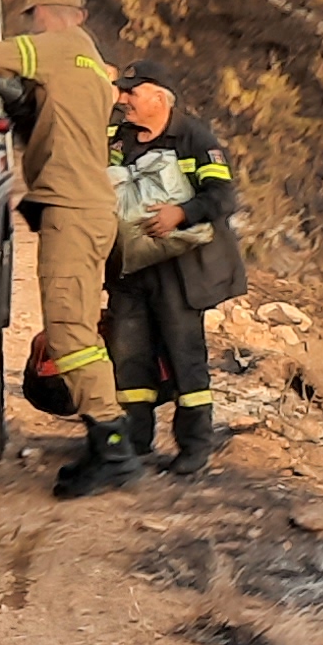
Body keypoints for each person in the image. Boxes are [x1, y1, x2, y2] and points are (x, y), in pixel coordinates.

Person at [0, 0, 143, 498]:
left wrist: (6, 82)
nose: (31, 23)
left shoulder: (53, 48)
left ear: (46, 13)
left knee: (71, 332)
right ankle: (105, 445)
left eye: (33, 17)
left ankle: (113, 446)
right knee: (80, 329)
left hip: (71, 209)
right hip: (91, 205)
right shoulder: (95, 66)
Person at [101, 68, 247, 475]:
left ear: (161, 98)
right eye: (123, 91)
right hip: (129, 272)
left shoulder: (195, 140)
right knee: (129, 360)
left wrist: (180, 213)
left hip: (179, 274)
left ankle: (194, 448)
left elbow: (221, 196)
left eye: (134, 92)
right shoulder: (117, 138)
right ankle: (134, 442)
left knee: (185, 359)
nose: (124, 99)